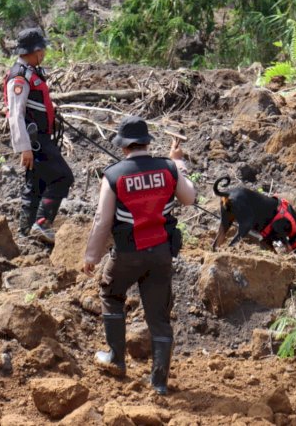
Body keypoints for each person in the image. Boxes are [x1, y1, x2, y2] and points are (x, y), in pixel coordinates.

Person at [82, 116, 196, 395]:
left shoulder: (113, 175)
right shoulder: (168, 168)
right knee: (159, 316)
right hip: (161, 253)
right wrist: (178, 163)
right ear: (147, 143)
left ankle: (116, 359)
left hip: (128, 253)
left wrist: (92, 256)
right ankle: (158, 382)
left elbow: (102, 220)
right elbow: (190, 198)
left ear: (123, 147)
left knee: (111, 294)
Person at [4, 27, 74, 243]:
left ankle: (25, 235)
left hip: (39, 139)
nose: (44, 54)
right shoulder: (19, 76)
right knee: (63, 177)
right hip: (35, 142)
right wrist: (24, 147)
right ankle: (42, 223)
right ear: (34, 51)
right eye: (42, 49)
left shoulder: (31, 72)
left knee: (36, 185)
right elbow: (15, 114)